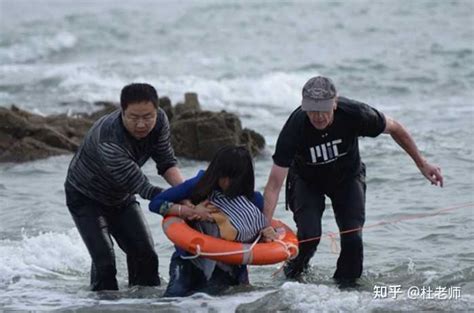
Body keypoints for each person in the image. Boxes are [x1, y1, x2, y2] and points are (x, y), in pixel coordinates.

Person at [261, 76, 444, 285]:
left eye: (324, 110)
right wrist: (265, 225)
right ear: (304, 107)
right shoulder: (294, 128)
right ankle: (292, 280)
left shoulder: (355, 114)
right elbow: (274, 184)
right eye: (312, 110)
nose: (318, 117)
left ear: (335, 104)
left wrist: (422, 164)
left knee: (353, 239)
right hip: (306, 180)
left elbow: (395, 128)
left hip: (346, 178)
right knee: (309, 237)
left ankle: (346, 293)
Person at [64, 83, 185, 291]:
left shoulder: (161, 121)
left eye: (147, 117)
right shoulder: (109, 140)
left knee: (146, 256)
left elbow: (166, 162)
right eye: (134, 117)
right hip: (85, 197)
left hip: (120, 196)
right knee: (105, 264)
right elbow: (144, 188)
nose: (141, 124)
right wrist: (184, 208)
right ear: (122, 112)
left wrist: (188, 194)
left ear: (157, 111)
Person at [149, 145, 269, 297]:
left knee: (210, 299)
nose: (226, 182)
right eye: (223, 176)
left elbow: (254, 241)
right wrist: (190, 211)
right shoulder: (200, 184)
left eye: (233, 177)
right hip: (189, 258)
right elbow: (155, 203)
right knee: (174, 297)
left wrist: (266, 233)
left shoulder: (253, 200)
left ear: (244, 177)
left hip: (227, 265)